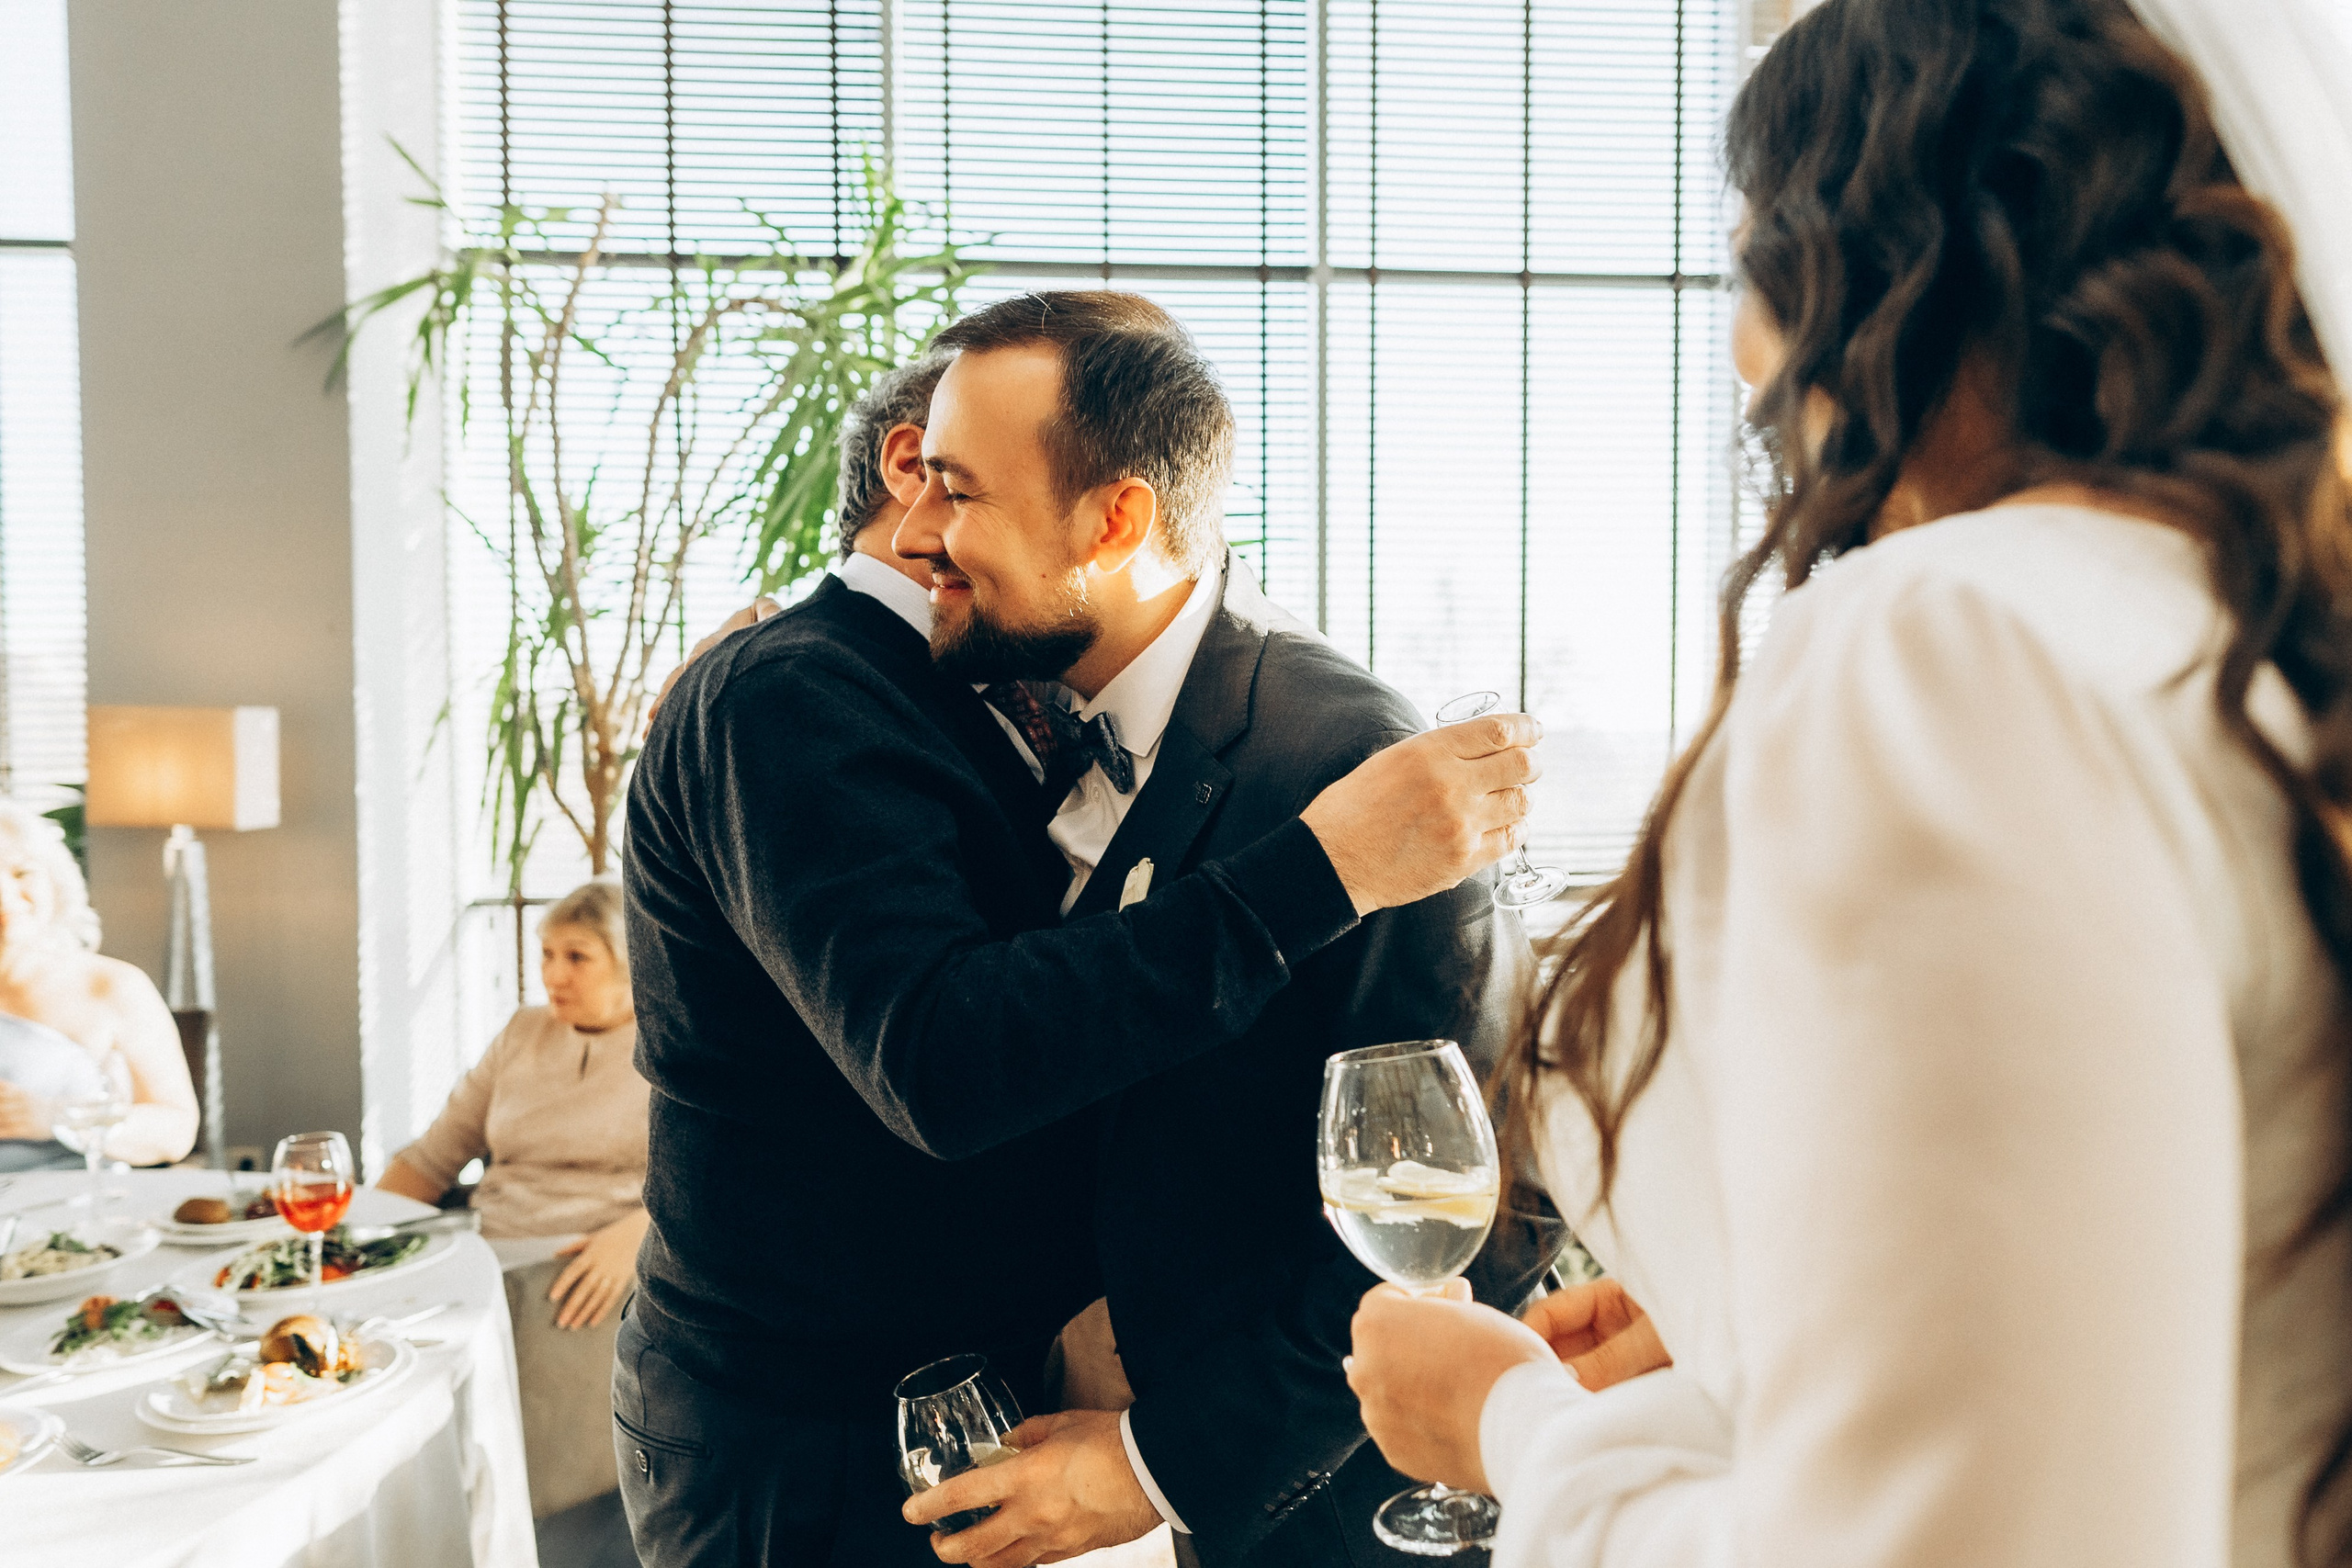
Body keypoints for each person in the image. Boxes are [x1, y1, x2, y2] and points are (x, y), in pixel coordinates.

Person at [1340, 2, 2352, 1565]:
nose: (1745, 346)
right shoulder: (2249, 634)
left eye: (1758, 244)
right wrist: (1749, 1351)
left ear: (1895, 267)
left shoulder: (1950, 651)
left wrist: (1520, 1429)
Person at [624, 318, 1542, 1568]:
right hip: (808, 1440)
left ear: (1112, 520)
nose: (927, 532)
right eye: (928, 483)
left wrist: (1161, 1456)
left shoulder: (1334, 762)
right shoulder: (808, 693)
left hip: (1323, 1497)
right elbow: (953, 1044)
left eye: (962, 493)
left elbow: (1477, 1194)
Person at [379, 880, 649, 1331]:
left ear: (629, 961)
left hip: (601, 1269)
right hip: (490, 1252)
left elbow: (719, 1180)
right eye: (547, 953)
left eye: (577, 957)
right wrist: (349, 1238)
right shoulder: (522, 1032)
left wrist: (642, 1235)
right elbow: (430, 1161)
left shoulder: (673, 1047)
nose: (553, 975)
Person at [0, 799, 197, 1172]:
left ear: (55, 881)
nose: (5, 896)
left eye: (22, 873)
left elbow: (176, 1130)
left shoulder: (111, 987)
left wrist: (58, 1117)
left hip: (80, 1214)